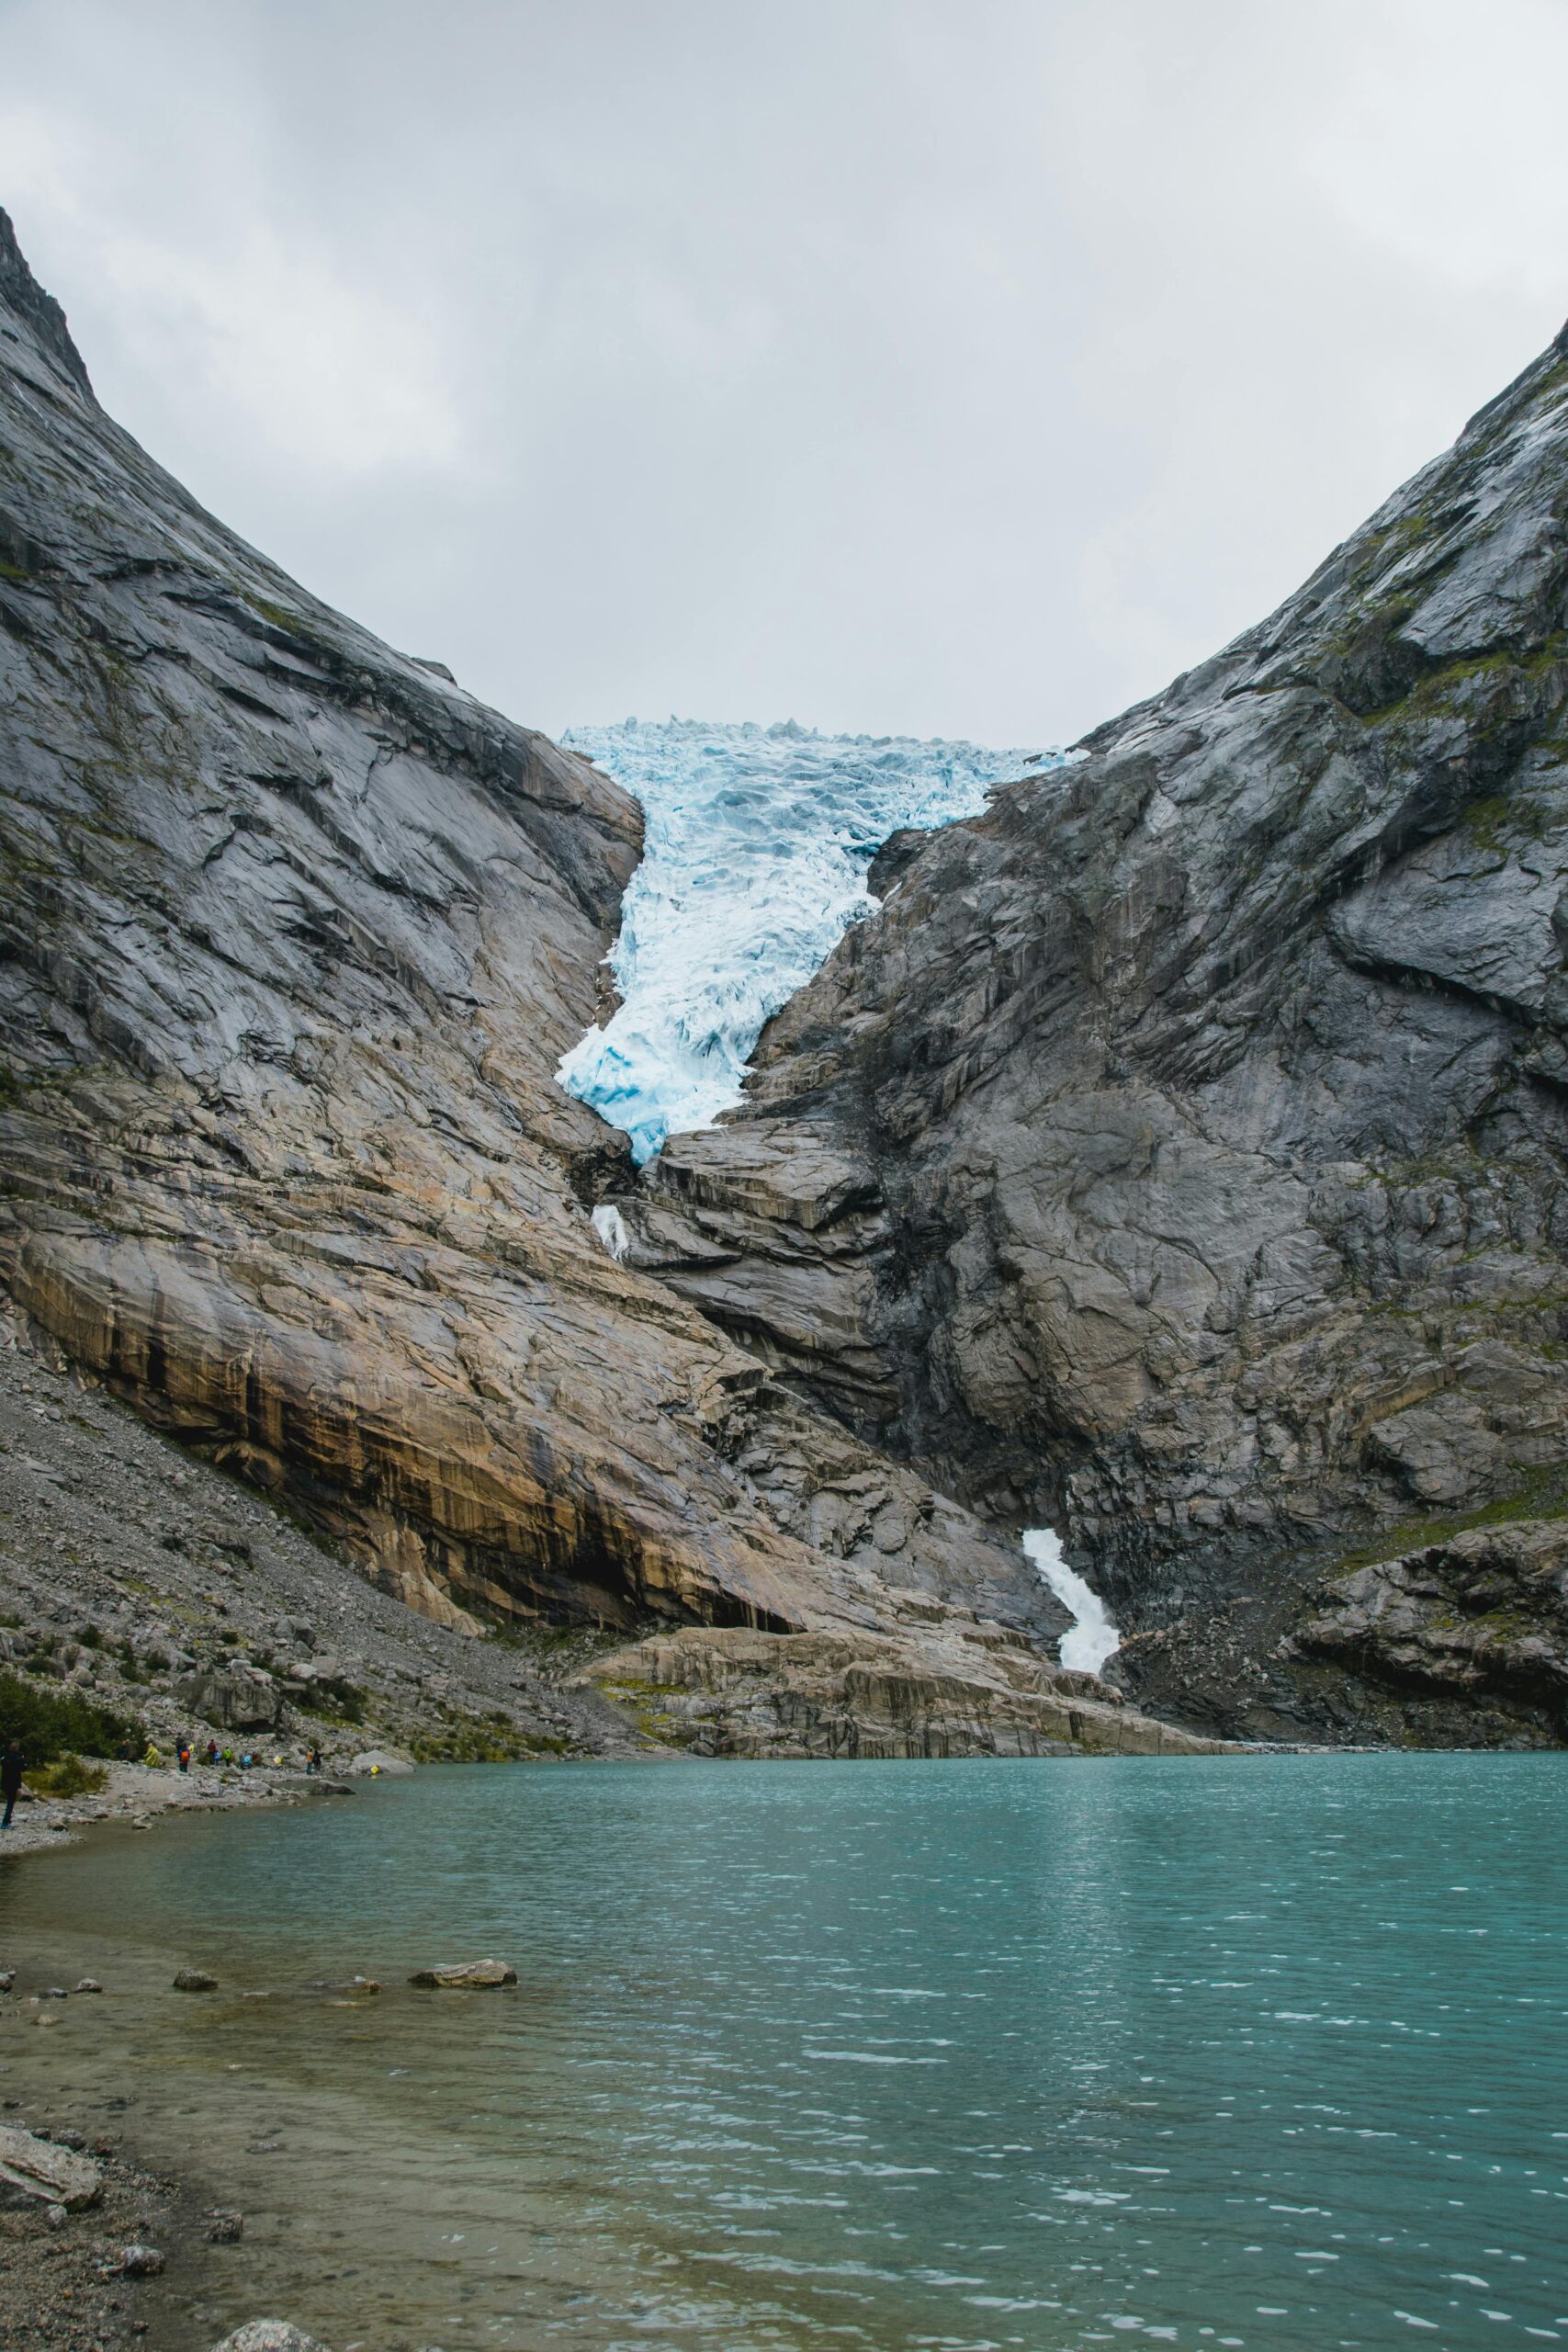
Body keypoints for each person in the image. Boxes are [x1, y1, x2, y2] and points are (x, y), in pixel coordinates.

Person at [1, 1742, 24, 1830]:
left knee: (9, 1801)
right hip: (13, 1783)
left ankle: (7, 1820)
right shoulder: (18, 1758)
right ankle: (5, 1823)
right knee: (10, 1802)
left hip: (4, 1783)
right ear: (17, 1749)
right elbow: (24, 1768)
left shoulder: (4, 1757)